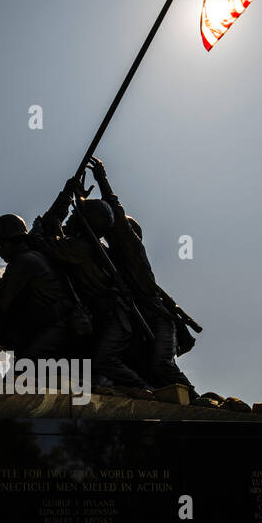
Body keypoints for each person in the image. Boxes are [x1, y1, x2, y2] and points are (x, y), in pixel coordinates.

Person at [29, 180, 154, 397]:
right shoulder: (92, 247)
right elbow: (59, 227)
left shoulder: (79, 248)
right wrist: (69, 195)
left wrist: (37, 229)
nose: (72, 219)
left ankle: (144, 388)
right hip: (103, 317)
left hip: (115, 318)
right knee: (91, 359)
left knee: (103, 359)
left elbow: (44, 242)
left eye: (76, 216)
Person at [86, 157, 197, 392]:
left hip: (158, 318)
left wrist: (102, 180)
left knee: (162, 365)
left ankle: (195, 400)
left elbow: (114, 209)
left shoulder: (133, 250)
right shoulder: (112, 256)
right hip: (138, 319)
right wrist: (80, 199)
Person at [0, 213, 86, 360]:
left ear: (14, 240)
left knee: (24, 365)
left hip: (59, 327)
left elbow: (1, 305)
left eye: (0, 245)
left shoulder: (22, 262)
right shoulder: (36, 255)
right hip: (52, 325)